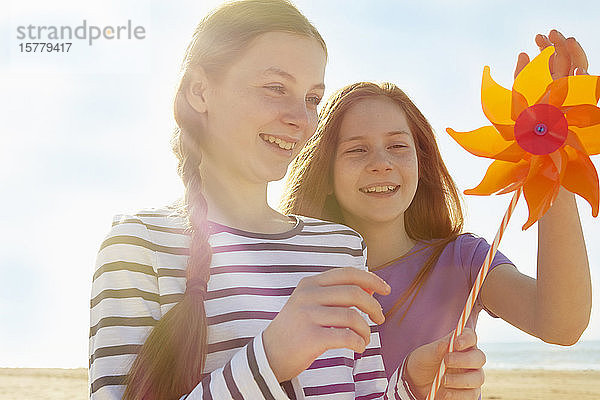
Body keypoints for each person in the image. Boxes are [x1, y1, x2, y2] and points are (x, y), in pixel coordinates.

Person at [88, 1, 486, 399]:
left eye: (312, 98)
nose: (301, 118)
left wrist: (411, 388)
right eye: (276, 88)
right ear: (200, 91)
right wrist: (270, 357)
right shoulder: (138, 245)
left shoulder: (342, 248)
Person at [280, 30, 592, 399]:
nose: (381, 163)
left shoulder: (463, 259)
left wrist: (553, 150)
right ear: (325, 173)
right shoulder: (297, 273)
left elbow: (560, 324)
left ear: (421, 163)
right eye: (357, 150)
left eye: (397, 146)